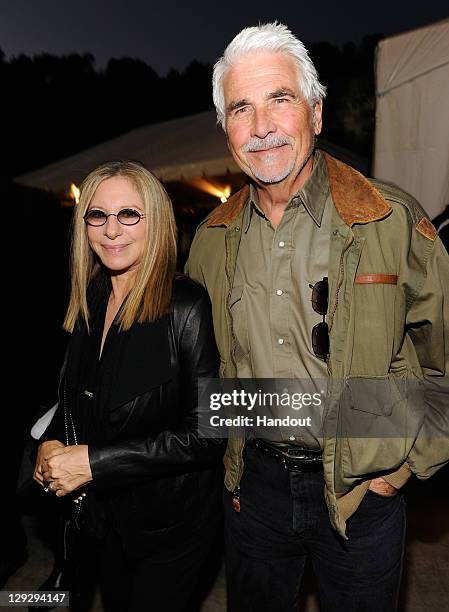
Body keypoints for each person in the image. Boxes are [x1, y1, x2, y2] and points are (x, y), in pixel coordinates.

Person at [185, 22, 449, 612]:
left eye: (280, 99)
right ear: (226, 129)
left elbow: (444, 357)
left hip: (364, 494)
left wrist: (401, 468)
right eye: (240, 109)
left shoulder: (389, 220)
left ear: (317, 112)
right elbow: (202, 372)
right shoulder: (210, 241)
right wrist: (230, 463)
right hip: (253, 493)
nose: (261, 127)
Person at [34, 160, 225, 612]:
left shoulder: (187, 305)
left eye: (129, 215)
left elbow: (207, 434)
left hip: (169, 529)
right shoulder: (92, 294)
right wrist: (51, 441)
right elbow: (74, 397)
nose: (111, 230)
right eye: (98, 215)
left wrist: (95, 462)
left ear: (155, 221)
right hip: (103, 519)